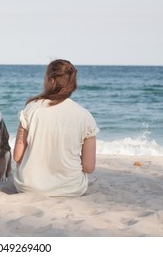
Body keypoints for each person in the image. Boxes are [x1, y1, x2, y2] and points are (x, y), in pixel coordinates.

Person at [13, 59, 99, 197]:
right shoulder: (85, 116)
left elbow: (17, 156)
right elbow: (89, 167)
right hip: (71, 188)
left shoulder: (31, 108)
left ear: (51, 81)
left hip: (29, 187)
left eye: (45, 78)